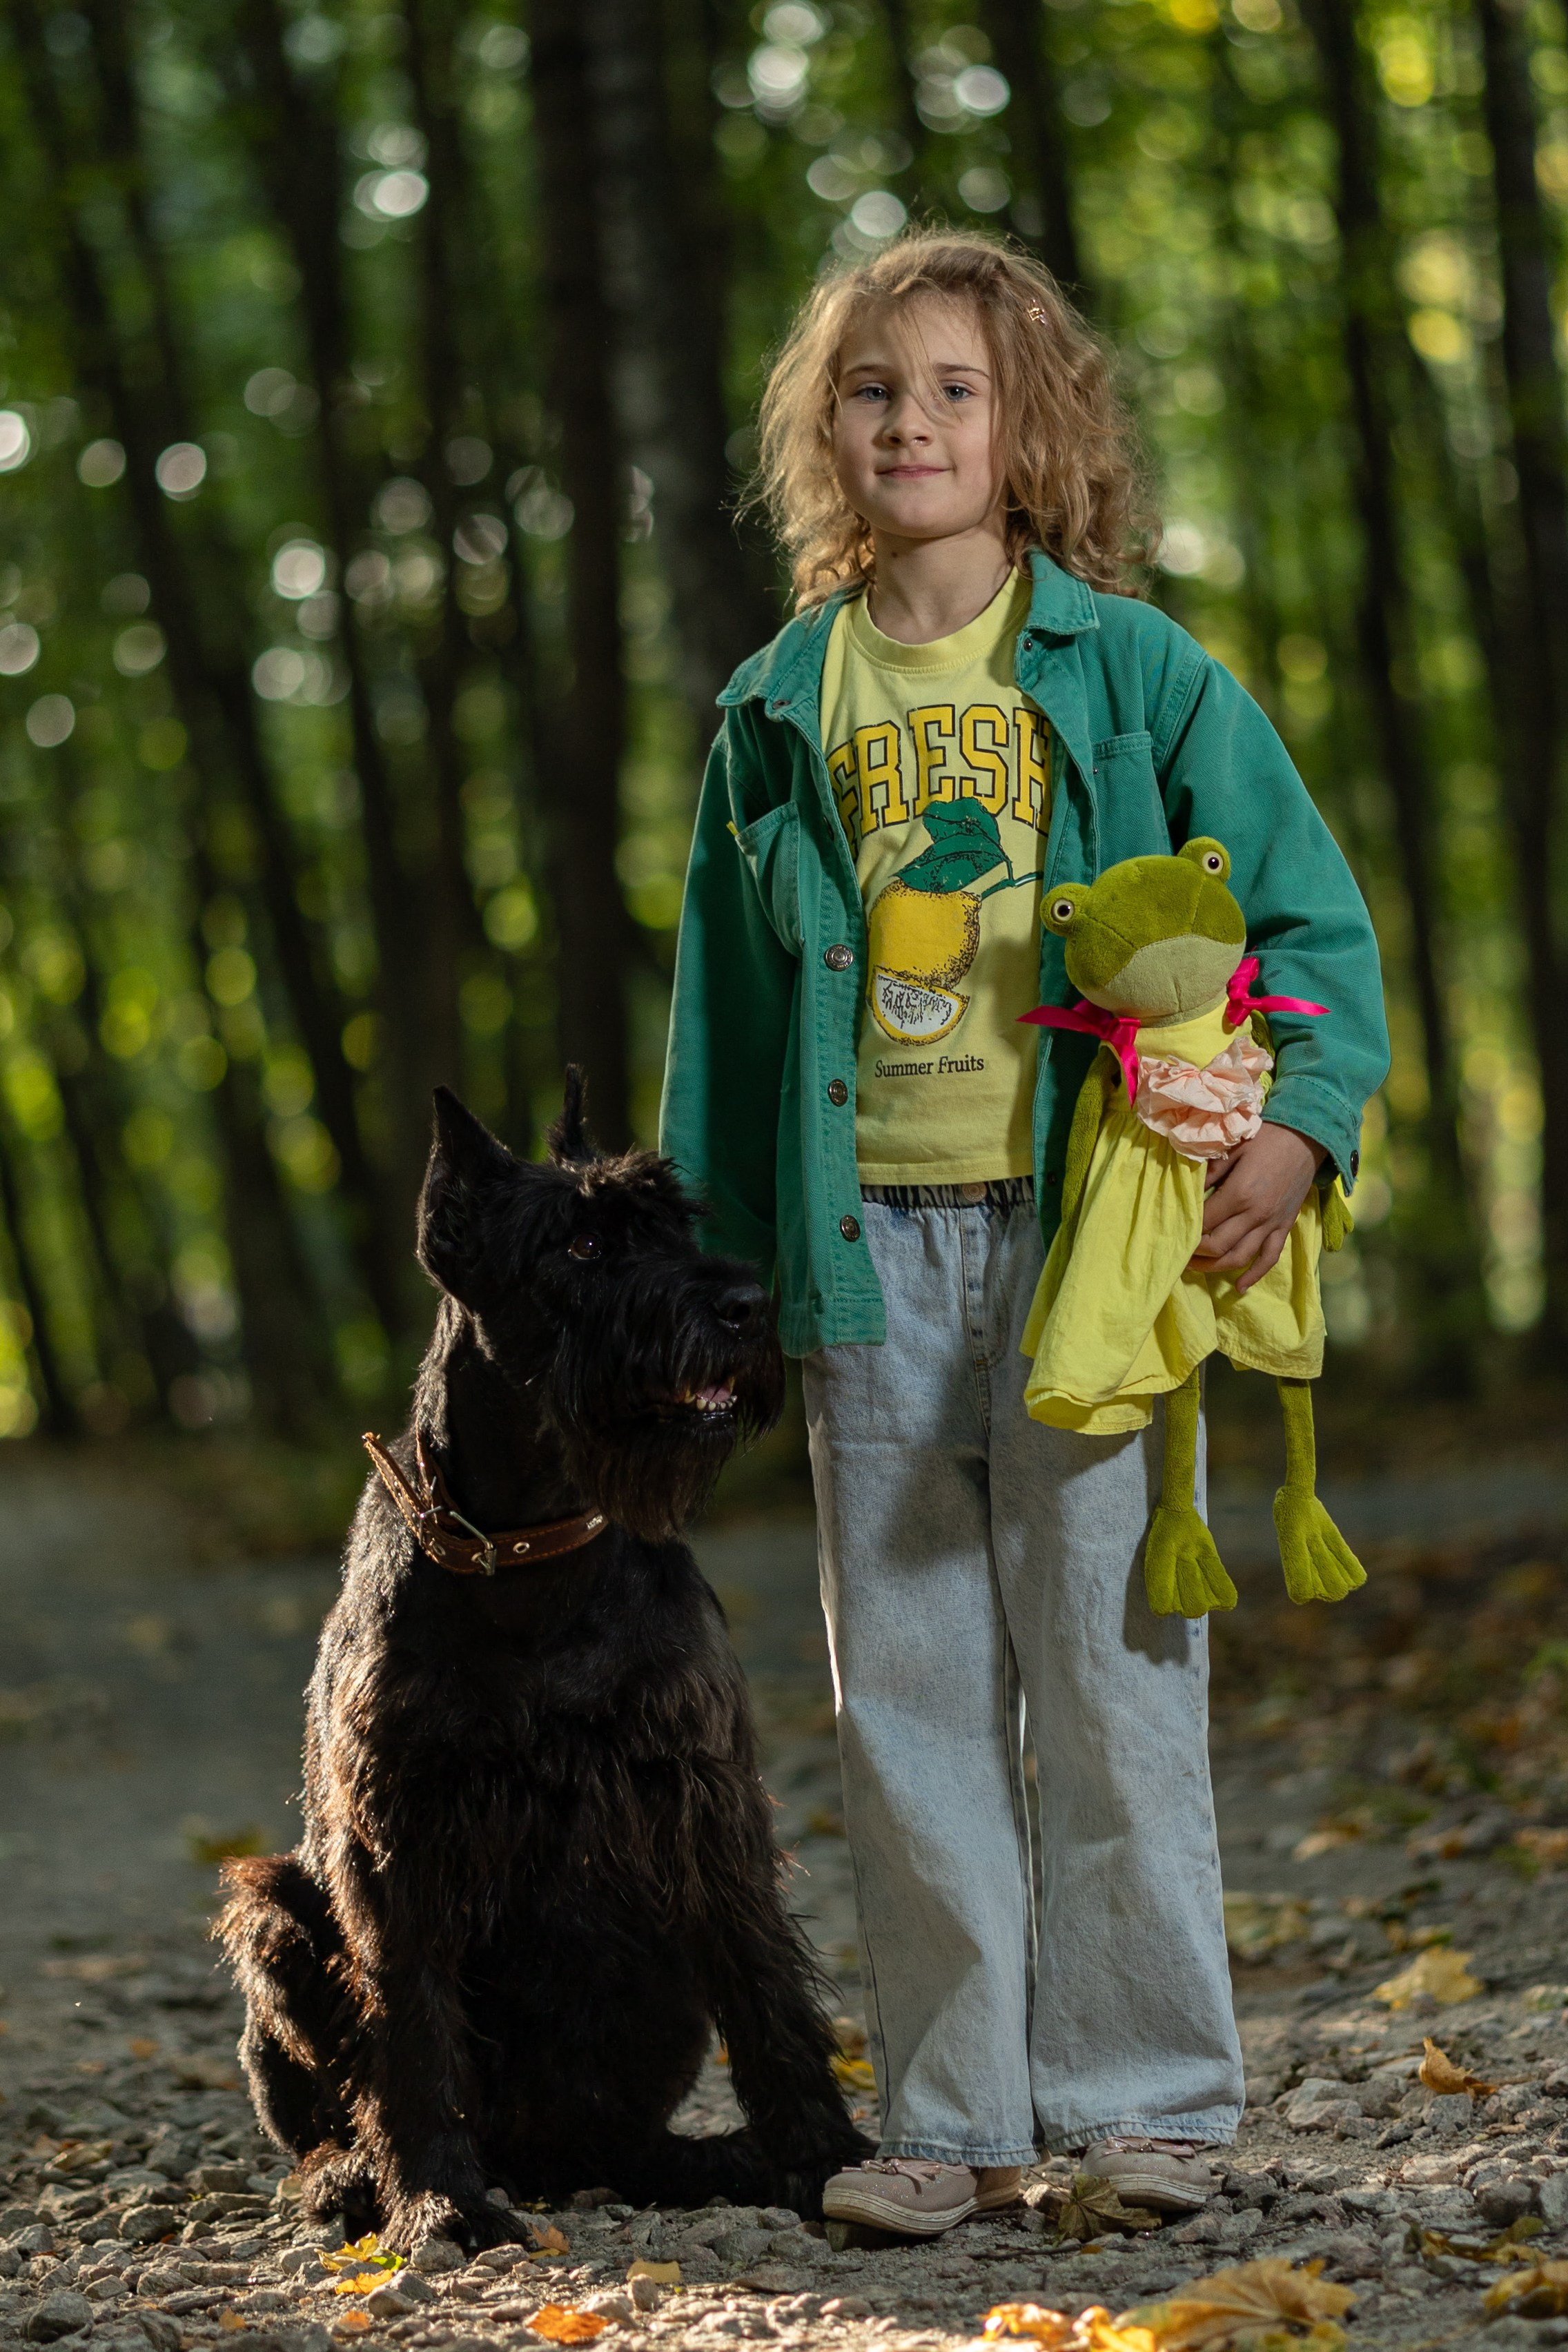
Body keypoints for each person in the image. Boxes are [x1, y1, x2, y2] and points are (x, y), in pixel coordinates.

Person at [659, 230, 1388, 2237]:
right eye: (877, 389)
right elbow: (718, 1030)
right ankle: (963, 2117)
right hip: (863, 1257)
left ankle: (1147, 2101)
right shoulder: (778, 708)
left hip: (1098, 1256)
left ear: (1027, 426)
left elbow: (1318, 923)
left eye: (957, 390)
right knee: (905, 1700)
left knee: (1114, 1672)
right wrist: (716, 1288)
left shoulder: (1136, 670)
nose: (915, 422)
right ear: (831, 429)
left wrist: (1301, 1136)